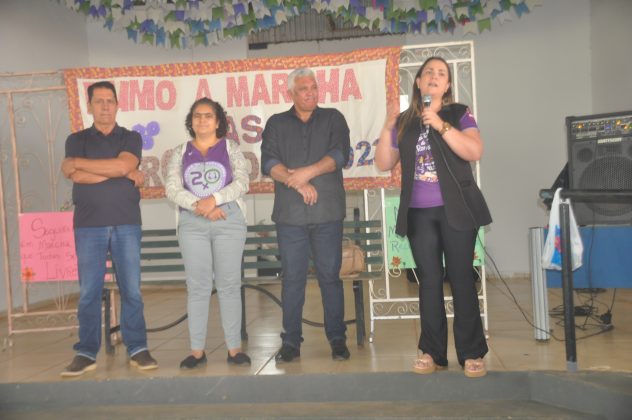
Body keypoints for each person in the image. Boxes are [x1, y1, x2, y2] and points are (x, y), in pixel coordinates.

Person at [375, 57, 492, 378]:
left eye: (441, 73)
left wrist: (440, 124)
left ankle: (471, 353)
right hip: (419, 213)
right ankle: (432, 352)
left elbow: (474, 151)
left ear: (448, 84)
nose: (434, 76)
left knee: (462, 278)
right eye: (428, 72)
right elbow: (383, 162)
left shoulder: (459, 113)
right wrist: (388, 127)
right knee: (428, 281)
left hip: (457, 210)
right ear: (418, 82)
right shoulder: (405, 120)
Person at [61, 81, 157, 377]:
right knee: (89, 291)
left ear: (117, 105)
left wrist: (82, 165)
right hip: (88, 225)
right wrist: (121, 171)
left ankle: (137, 347)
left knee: (132, 290)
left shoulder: (130, 137)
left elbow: (108, 168)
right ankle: (86, 352)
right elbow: (78, 176)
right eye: (99, 101)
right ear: (89, 106)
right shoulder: (76, 139)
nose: (105, 106)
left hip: (126, 222)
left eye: (110, 100)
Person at [261, 68, 352, 363]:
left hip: (327, 213)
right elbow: (269, 162)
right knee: (292, 280)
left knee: (330, 278)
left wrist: (307, 173)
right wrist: (298, 183)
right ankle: (290, 342)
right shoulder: (276, 123)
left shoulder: (333, 118)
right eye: (303, 88)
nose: (310, 92)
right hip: (290, 216)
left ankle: (337, 339)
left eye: (314, 87)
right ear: (291, 93)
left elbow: (340, 155)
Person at [165, 98, 251, 369]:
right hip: (192, 223)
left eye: (208, 116)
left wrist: (214, 200)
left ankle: (234, 349)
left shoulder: (231, 148)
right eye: (197, 116)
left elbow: (243, 182)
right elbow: (172, 188)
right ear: (191, 121)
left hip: (229, 220)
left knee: (229, 285)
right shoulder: (180, 152)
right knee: (198, 287)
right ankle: (197, 352)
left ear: (218, 122)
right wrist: (200, 206)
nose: (202, 120)